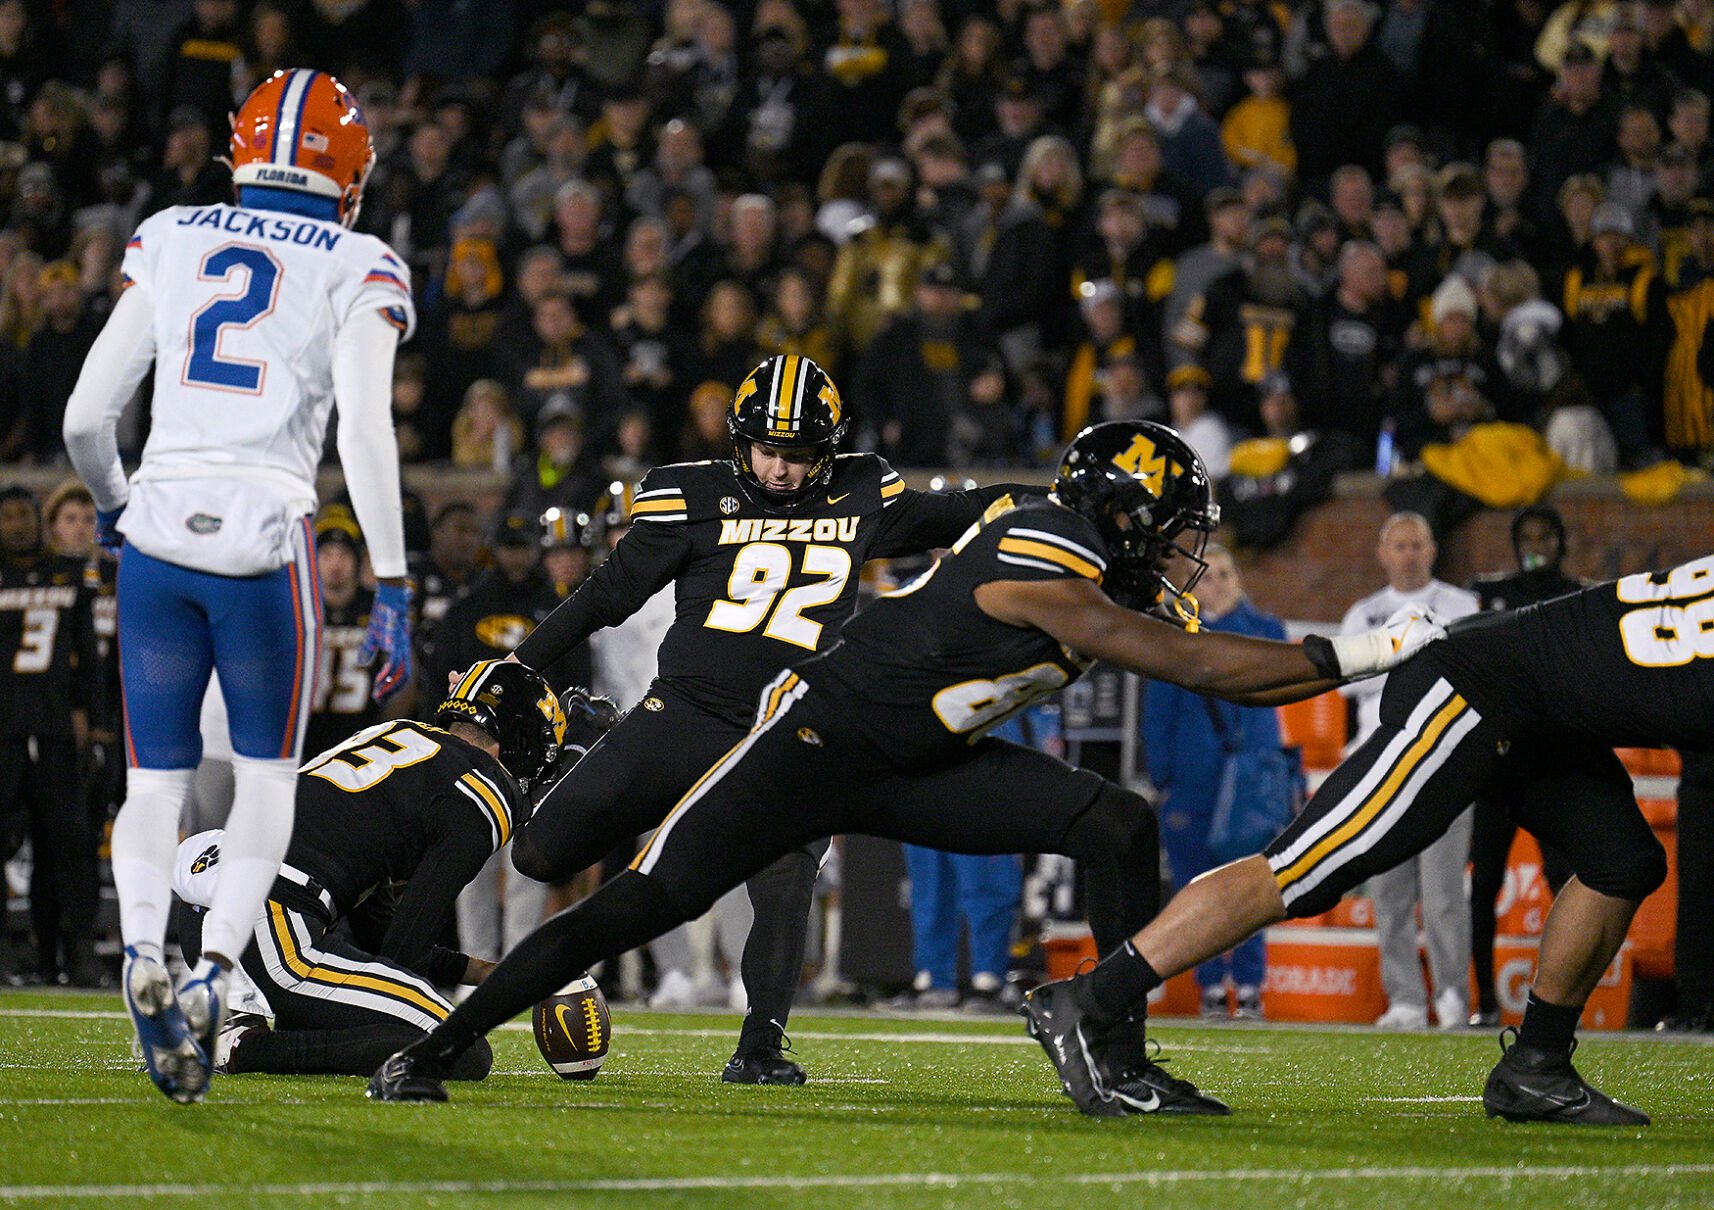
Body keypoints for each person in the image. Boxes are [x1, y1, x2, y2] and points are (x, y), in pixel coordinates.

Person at [370, 419, 1439, 1108]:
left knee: (1117, 823)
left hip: (921, 762)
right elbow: (1195, 664)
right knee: (646, 899)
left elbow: (1170, 632)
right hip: (809, 745)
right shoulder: (1044, 554)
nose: (1177, 551)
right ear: (1116, 515)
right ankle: (434, 1043)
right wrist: (1364, 650)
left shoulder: (1085, 556)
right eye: (1165, 529)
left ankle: (1113, 1053)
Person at [472, 353, 1033, 1085]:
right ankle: (580, 770)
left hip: (790, 728)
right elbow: (607, 594)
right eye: (769, 450)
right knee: (541, 854)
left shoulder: (864, 491)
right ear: (741, 441)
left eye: (799, 456)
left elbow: (967, 510)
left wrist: (1069, 501)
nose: (780, 470)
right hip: (686, 712)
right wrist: (514, 668)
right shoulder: (690, 494)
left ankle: (761, 1045)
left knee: (785, 878)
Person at [1023, 545, 1714, 1125]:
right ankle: (1088, 1000)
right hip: (1477, 686)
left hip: (1542, 706)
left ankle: (1537, 1065)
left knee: (1621, 861)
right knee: (1306, 868)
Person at [60, 69, 416, 1104]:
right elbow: (365, 429)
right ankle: (218, 968)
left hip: (162, 527)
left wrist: (119, 504)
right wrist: (391, 581)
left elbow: (86, 414)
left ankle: (138, 953)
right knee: (264, 781)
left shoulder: (170, 232)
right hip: (265, 535)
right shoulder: (359, 259)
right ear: (348, 175)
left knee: (154, 785)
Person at [171, 664, 579, 1079]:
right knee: (458, 1046)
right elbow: (404, 952)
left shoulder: (400, 736)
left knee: (365, 1012)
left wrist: (490, 972)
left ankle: (240, 1021)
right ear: (520, 745)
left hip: (209, 902)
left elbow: (378, 931)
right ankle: (240, 1049)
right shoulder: (481, 787)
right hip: (272, 920)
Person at [1342, 513, 1481, 1031]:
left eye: (1416, 544)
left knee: (1444, 890)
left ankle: (1450, 995)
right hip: (1378, 763)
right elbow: (1345, 681)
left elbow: (1471, 674)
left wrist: (1391, 663)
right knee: (1390, 889)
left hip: (1445, 759)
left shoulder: (1462, 606)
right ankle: (1403, 997)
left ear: (1432, 549)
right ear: (1383, 553)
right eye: (1398, 545)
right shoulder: (1365, 612)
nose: (1408, 554)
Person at [1143, 544, 1287, 1019]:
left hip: (1247, 785)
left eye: (1226, 574)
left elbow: (1274, 697)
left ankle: (1248, 985)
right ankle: (1208, 985)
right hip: (1193, 784)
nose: (1218, 584)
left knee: (1251, 891)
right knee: (1193, 888)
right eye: (1208, 577)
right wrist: (1164, 777)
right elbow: (1157, 714)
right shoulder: (1176, 637)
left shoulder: (1265, 631)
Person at [1466, 505, 1583, 1026]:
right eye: (1527, 535)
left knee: (1565, 880)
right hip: (1500, 760)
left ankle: (1562, 1002)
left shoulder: (1582, 596)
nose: (1536, 544)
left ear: (1561, 541)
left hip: (1555, 761)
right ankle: (1487, 1003)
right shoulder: (1491, 594)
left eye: (1545, 535)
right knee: (1485, 881)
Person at [0, 484, 101, 986]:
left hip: (57, 728)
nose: (16, 524)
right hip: (5, 732)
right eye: (7, 515)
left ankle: (76, 952)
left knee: (68, 846)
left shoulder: (68, 576)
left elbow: (89, 658)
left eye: (24, 514)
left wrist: (92, 721)